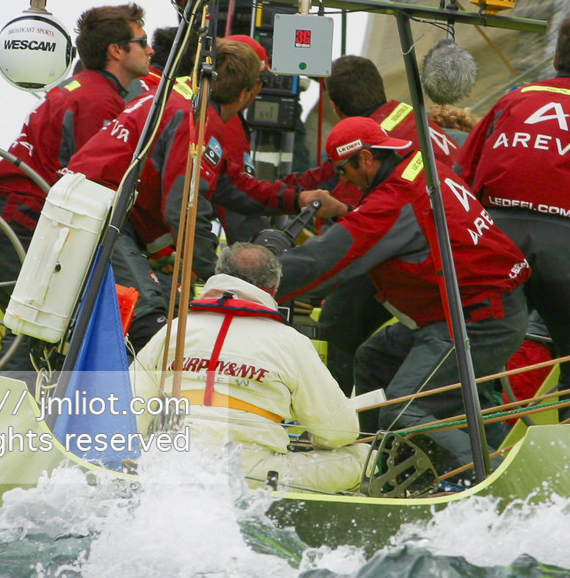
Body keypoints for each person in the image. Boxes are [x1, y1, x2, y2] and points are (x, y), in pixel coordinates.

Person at [277, 117, 529, 479]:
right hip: (474, 310)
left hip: (478, 320)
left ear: (365, 159)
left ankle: (497, 480)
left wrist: (258, 280)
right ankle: (374, 462)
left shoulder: (397, 197)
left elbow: (333, 255)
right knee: (374, 359)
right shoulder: (422, 164)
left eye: (342, 170)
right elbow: (388, 228)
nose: (342, 180)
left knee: (402, 409)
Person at [69, 39, 336, 348]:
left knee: (145, 314)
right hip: (100, 216)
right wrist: (217, 275)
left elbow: (229, 183)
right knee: (150, 320)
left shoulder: (178, 97)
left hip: (95, 208)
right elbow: (183, 207)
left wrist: (296, 199)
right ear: (246, 93)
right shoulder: (198, 120)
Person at [459, 16, 570, 423]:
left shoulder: (512, 101)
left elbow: (464, 176)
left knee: (481, 348)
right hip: (567, 247)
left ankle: (471, 443)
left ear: (557, 57)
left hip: (497, 239)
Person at [130, 243, 366, 492]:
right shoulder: (291, 342)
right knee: (362, 457)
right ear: (274, 289)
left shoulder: (176, 328)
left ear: (218, 276)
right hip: (251, 477)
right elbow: (339, 433)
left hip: (167, 463)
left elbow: (130, 407)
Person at [0, 3, 150, 309]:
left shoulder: (78, 89)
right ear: (116, 51)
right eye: (141, 42)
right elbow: (94, 186)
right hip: (14, 229)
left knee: (30, 338)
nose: (150, 51)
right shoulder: (99, 102)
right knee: (35, 333)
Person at [308, 54, 466, 392]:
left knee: (337, 320)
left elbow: (363, 228)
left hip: (429, 255)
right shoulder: (415, 118)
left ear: (335, 107)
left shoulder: (366, 145)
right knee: (377, 352)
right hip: (461, 247)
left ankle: (335, 416)